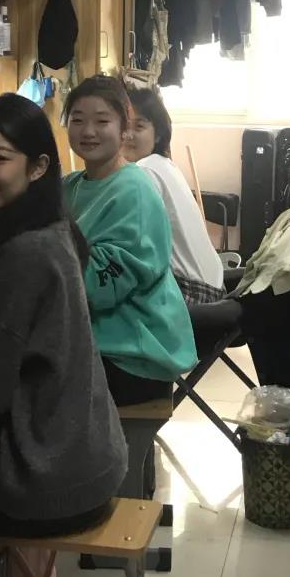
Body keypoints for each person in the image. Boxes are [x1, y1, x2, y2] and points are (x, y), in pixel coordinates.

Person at [0, 92, 127, 537]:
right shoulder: (54, 226)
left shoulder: (24, 255)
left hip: (44, 482)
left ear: (38, 167)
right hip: (89, 460)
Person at [63, 75, 196, 407]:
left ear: (124, 129)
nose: (88, 131)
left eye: (101, 121)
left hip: (131, 353)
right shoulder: (71, 185)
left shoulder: (133, 189)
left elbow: (100, 288)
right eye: (77, 120)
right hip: (96, 342)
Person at [123, 82, 225, 304]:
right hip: (217, 285)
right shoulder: (165, 165)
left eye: (138, 127)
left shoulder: (144, 170)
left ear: (158, 134)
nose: (128, 135)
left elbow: (132, 244)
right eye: (124, 126)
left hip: (193, 292)